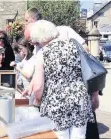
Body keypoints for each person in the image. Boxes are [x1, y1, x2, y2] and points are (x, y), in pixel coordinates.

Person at [24, 8, 100, 139]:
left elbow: (38, 87)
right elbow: (90, 71)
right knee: (79, 136)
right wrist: (95, 94)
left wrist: (37, 100)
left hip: (56, 104)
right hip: (79, 101)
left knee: (60, 136)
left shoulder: (43, 53)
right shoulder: (75, 46)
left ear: (39, 37)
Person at [10, 37, 35, 105]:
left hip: (31, 92)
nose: (21, 51)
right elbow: (21, 64)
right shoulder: (26, 58)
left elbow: (29, 75)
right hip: (25, 90)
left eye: (21, 48)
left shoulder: (33, 59)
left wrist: (17, 68)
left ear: (27, 47)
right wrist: (16, 64)